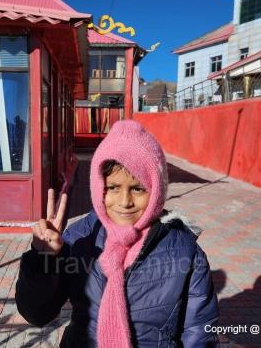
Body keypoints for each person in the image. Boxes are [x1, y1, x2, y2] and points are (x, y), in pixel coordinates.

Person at [16, 120, 219, 347]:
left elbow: (199, 333)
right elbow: (37, 313)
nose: (125, 202)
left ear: (156, 190)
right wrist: (44, 259)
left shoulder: (185, 251)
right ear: (98, 186)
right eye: (113, 187)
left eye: (138, 188)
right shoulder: (80, 239)